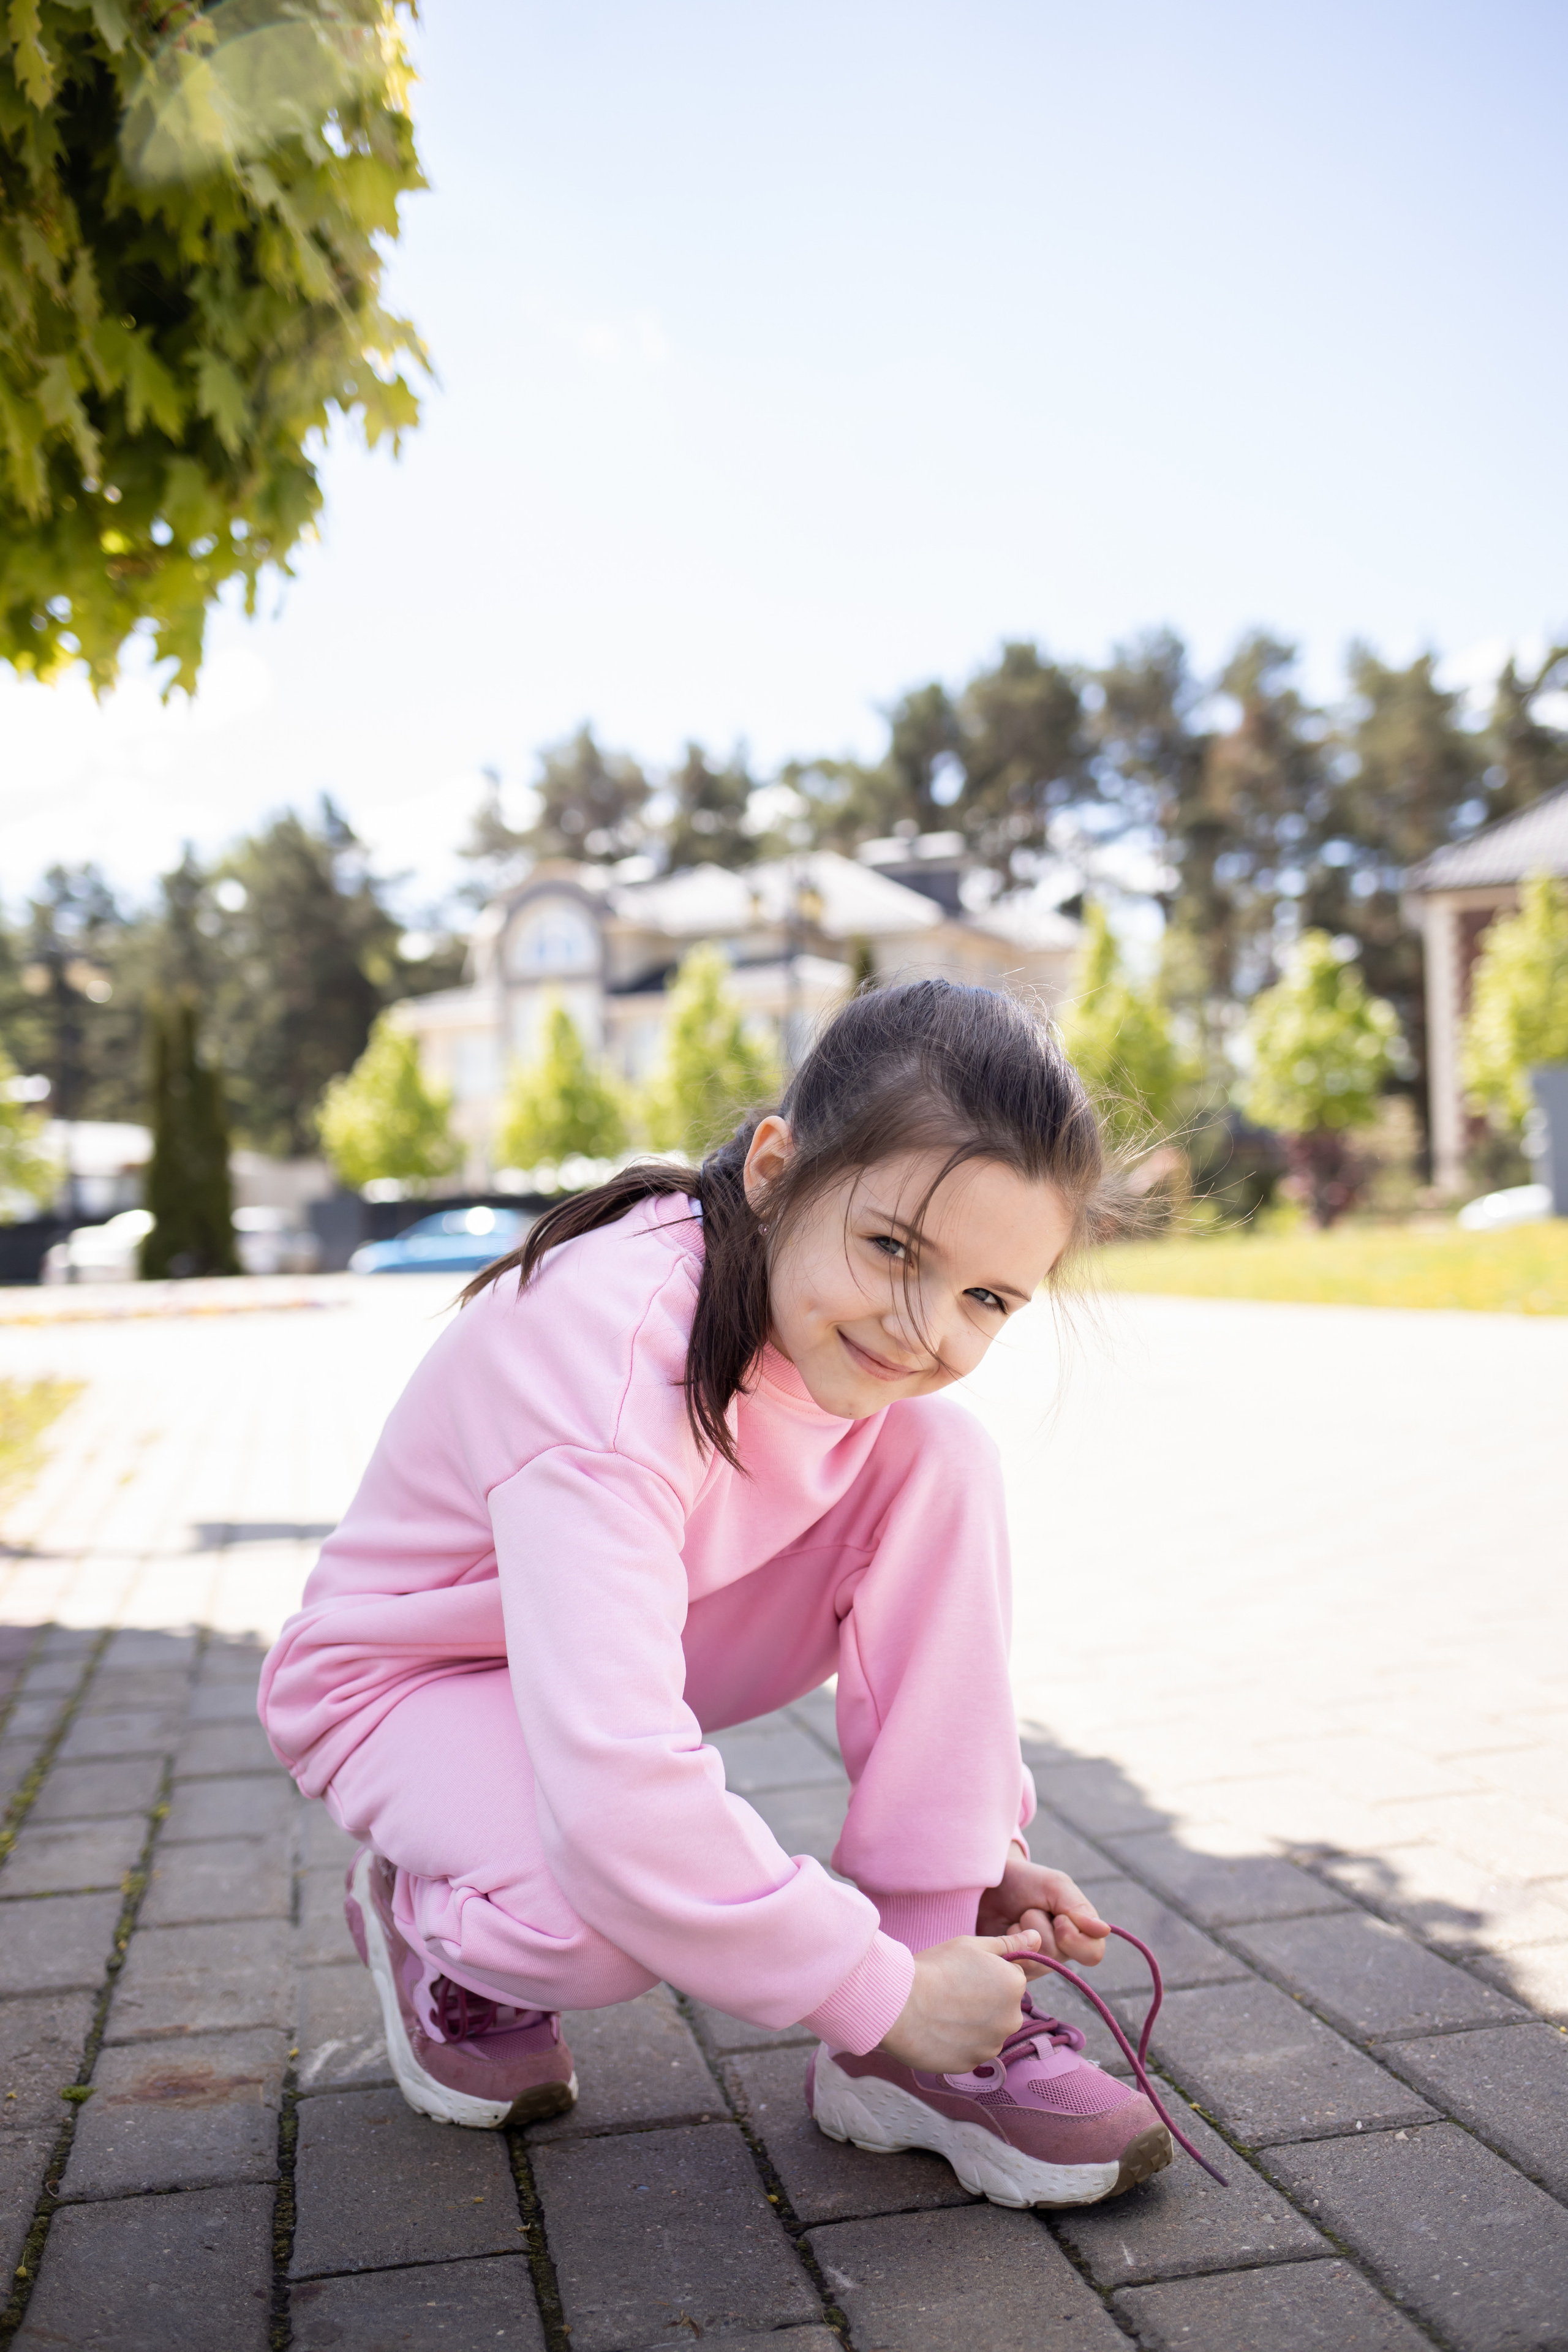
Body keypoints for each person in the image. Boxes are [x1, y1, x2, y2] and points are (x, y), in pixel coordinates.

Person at [259, 978, 1173, 2209]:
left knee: (938, 1455)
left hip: (632, 1629)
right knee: (598, 1917)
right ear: (774, 1169)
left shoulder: (824, 1334)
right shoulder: (607, 1350)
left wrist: (963, 1877)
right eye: (893, 1248)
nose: (921, 1327)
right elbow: (623, 1804)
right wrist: (865, 1984)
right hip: (416, 1673)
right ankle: (436, 1913)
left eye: (984, 1300)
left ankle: (915, 2016)